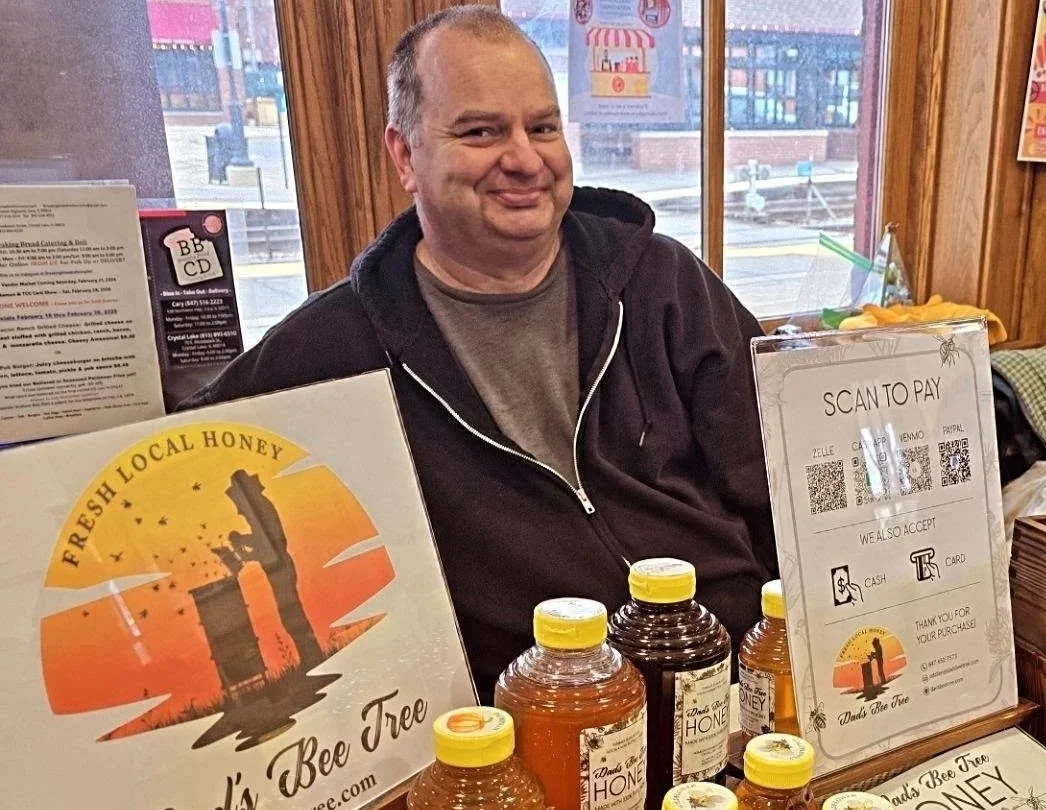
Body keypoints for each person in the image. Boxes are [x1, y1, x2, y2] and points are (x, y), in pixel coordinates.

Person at [184, 6, 777, 696]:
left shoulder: (664, 282)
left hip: (737, 680)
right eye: (480, 132)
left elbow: (783, 481)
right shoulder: (332, 348)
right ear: (405, 155)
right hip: (525, 724)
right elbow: (177, 461)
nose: (525, 159)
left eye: (543, 127)